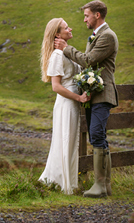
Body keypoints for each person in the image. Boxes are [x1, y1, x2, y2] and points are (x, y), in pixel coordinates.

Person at [54, 0, 118, 198]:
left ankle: (100, 185)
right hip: (94, 95)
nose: (84, 20)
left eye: (86, 15)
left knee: (97, 135)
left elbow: (89, 60)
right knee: (97, 136)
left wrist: (66, 48)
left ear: (97, 15)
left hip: (102, 94)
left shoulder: (107, 36)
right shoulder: (96, 36)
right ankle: (104, 186)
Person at [38, 18, 91, 194]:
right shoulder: (58, 55)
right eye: (66, 27)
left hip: (72, 103)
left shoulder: (66, 52)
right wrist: (78, 97)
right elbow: (56, 86)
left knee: (70, 141)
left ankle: (67, 182)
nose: (70, 28)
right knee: (65, 140)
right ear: (57, 35)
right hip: (66, 104)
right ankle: (61, 183)